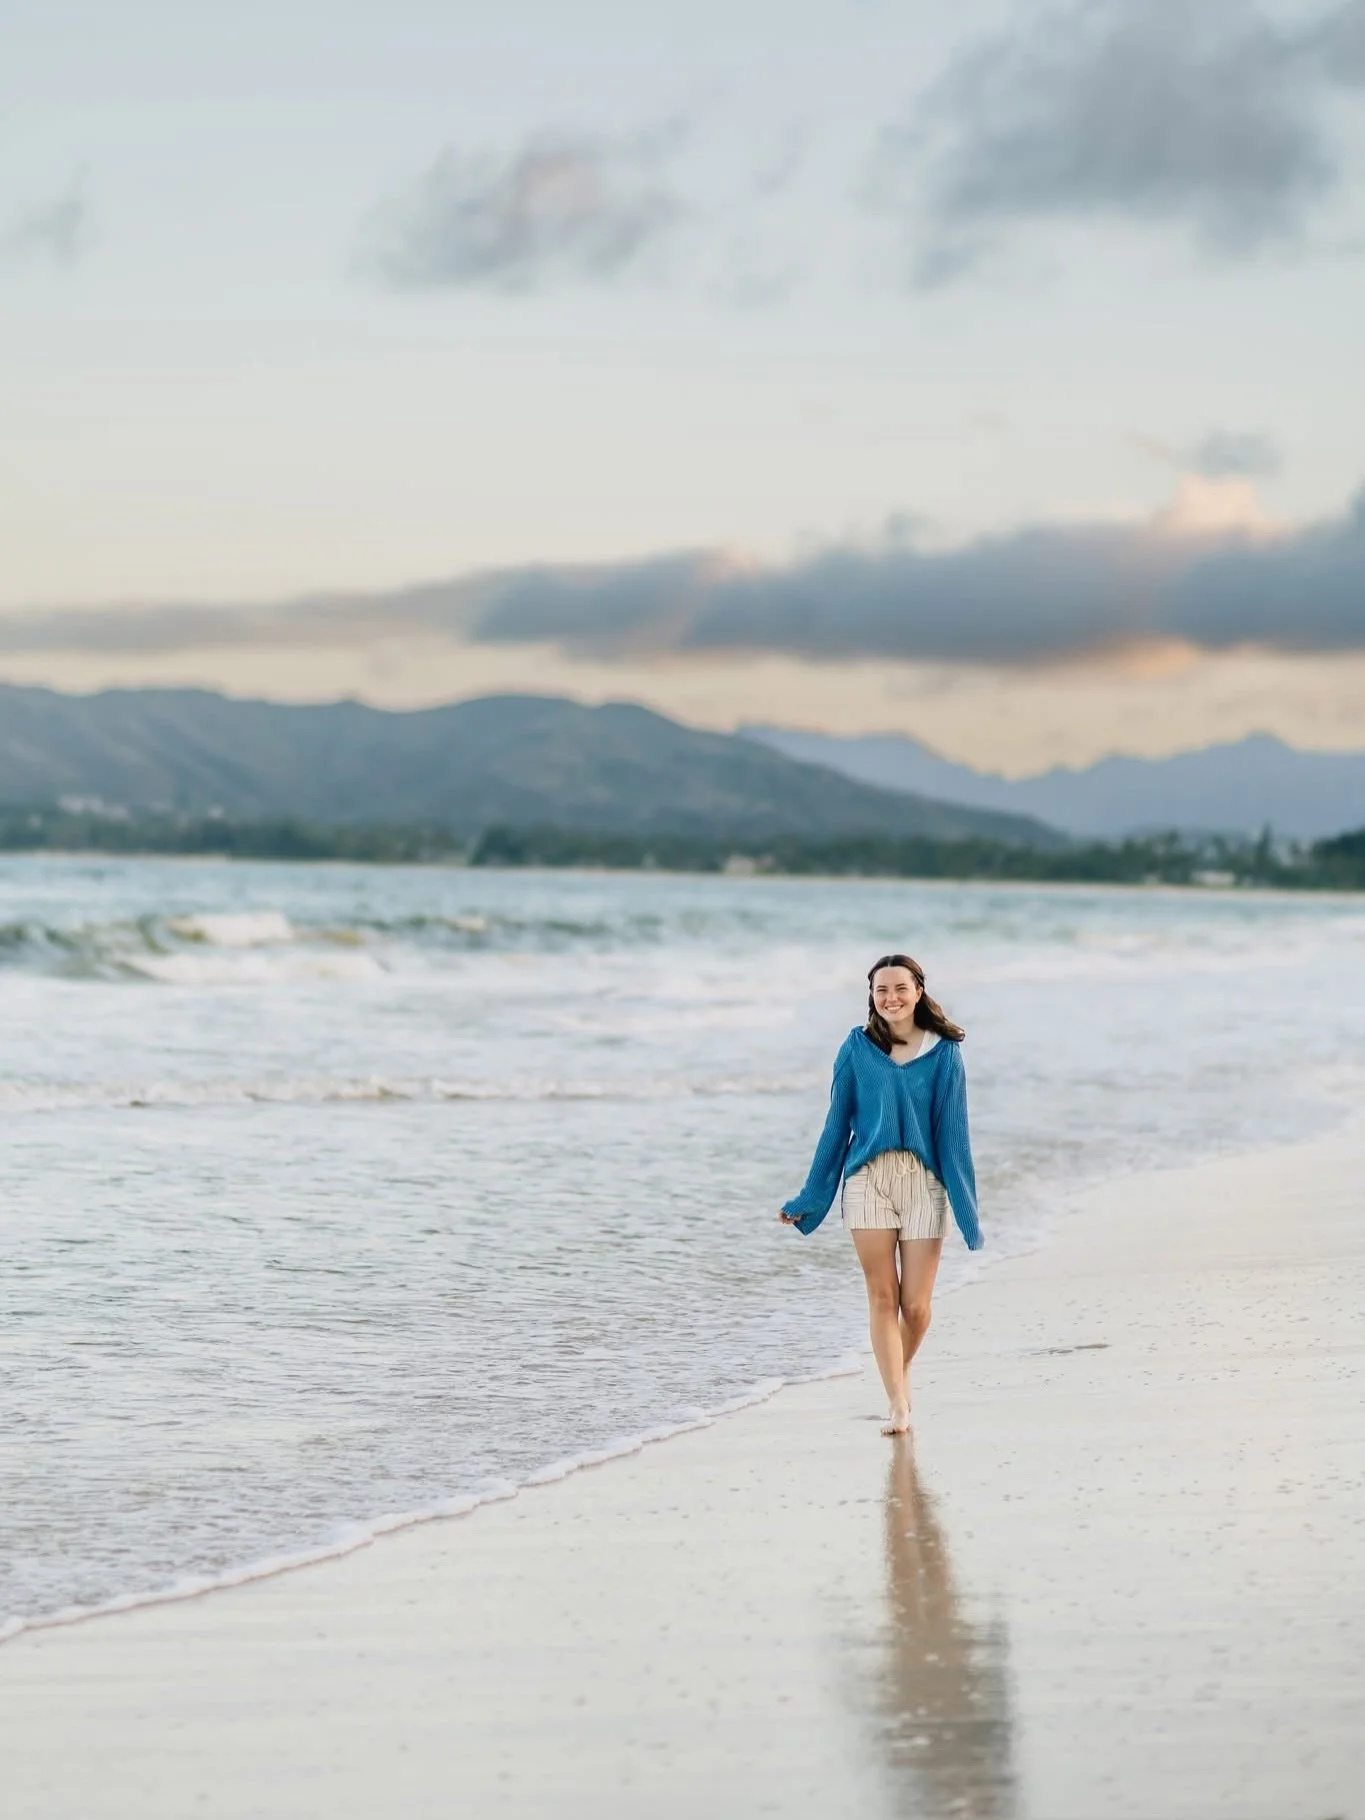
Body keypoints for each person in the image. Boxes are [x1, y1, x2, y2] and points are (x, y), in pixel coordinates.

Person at [779, 953, 982, 1435]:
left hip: (923, 1183)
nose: (891, 997)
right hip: (867, 1178)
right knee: (881, 1296)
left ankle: (900, 1370)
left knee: (915, 1306)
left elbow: (954, 1135)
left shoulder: (944, 1052)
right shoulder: (856, 1048)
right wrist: (811, 1196)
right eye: (881, 990)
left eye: (900, 988)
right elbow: (835, 1125)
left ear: (918, 992)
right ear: (871, 996)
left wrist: (967, 1209)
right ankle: (898, 1403)